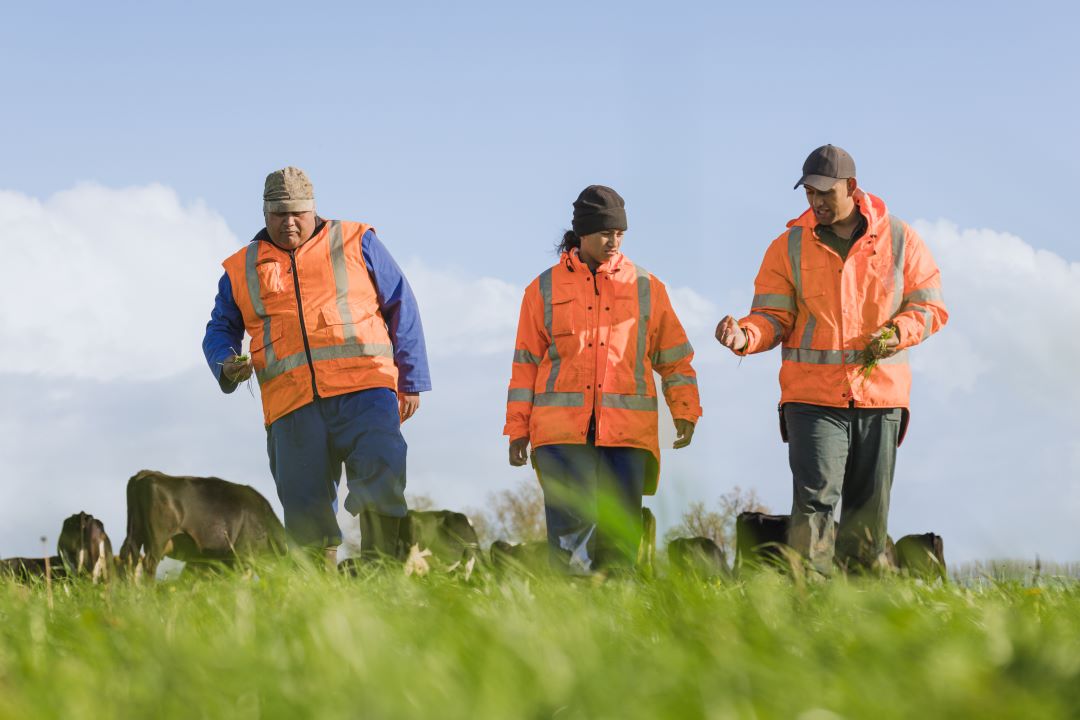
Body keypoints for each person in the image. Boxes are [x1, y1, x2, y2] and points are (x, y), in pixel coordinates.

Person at [715, 145, 948, 574]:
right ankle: (812, 606)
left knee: (868, 514)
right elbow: (772, 316)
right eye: (809, 193)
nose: (817, 201)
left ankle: (858, 612)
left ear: (852, 188)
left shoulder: (901, 240)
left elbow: (930, 307)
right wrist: (744, 335)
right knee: (814, 500)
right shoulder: (787, 247)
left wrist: (896, 334)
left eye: (826, 191)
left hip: (881, 400)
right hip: (812, 399)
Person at [202, 167, 431, 565]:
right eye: (278, 214)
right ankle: (318, 600)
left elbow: (401, 304)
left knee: (382, 472)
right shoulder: (241, 268)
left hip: (365, 392)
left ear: (314, 210)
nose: (289, 222)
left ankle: (385, 578)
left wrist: (411, 379)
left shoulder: (357, 241)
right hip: (291, 407)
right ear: (264, 213)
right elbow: (220, 328)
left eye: (298, 213)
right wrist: (226, 363)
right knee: (304, 507)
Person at [505, 185, 702, 574]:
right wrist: (517, 429)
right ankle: (572, 625)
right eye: (605, 233)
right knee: (568, 547)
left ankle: (618, 622)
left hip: (626, 436)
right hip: (561, 436)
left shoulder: (647, 288)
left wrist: (685, 409)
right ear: (582, 233)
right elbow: (525, 364)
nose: (614, 242)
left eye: (620, 234)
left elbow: (676, 357)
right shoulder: (541, 289)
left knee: (620, 541)